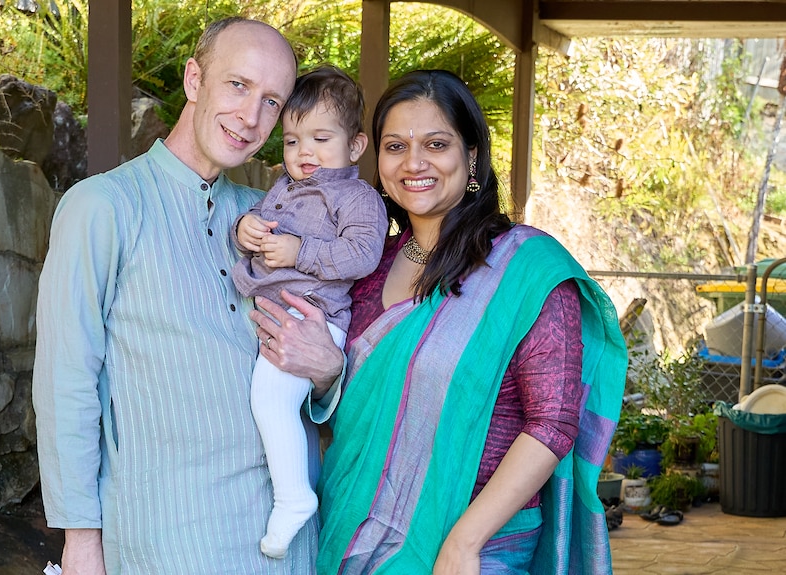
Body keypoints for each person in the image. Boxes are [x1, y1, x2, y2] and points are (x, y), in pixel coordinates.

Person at [32, 17, 345, 575]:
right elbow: (67, 383)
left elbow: (317, 353)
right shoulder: (103, 206)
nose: (251, 117)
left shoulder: (268, 216)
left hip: (288, 546)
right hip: (168, 541)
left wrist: (327, 373)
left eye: (272, 101)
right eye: (238, 85)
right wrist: (80, 540)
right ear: (195, 79)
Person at [316, 70, 627, 574]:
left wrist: (464, 542)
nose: (414, 163)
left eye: (436, 144)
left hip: (479, 551)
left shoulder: (526, 270)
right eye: (395, 146)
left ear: (472, 156)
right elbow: (351, 403)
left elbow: (551, 422)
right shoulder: (366, 265)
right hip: (350, 535)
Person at [231, 65, 387, 559]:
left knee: (270, 401)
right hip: (280, 313)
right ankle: (289, 492)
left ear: (355, 146)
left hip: (314, 319)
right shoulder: (283, 189)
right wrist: (247, 230)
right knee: (265, 400)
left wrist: (299, 252)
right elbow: (265, 229)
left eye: (321, 139)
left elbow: (363, 254)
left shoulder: (358, 197)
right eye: (293, 141)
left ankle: (294, 497)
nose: (305, 154)